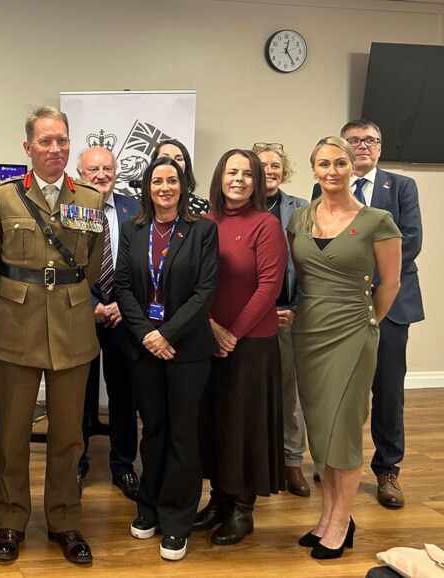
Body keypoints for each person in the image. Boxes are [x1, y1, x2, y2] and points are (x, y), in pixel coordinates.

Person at [0, 106, 105, 565]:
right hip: (16, 324)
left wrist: (70, 294)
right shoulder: (4, 197)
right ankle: (11, 520)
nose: (56, 148)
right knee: (13, 432)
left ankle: (64, 520)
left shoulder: (89, 199)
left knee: (69, 434)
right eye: (46, 141)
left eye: (62, 140)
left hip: (71, 325)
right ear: (28, 147)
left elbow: (92, 263)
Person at [290, 136, 401, 559]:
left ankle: (341, 521)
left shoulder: (377, 220)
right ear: (313, 170)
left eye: (340, 163)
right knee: (320, 429)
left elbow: (390, 283)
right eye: (324, 164)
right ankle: (328, 515)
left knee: (344, 429)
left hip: (353, 332)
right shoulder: (300, 218)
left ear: (353, 166)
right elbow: (300, 275)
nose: (332, 171)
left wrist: (367, 321)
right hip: (308, 332)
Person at [311, 120, 422, 509]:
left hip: (388, 306)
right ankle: (333, 460)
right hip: (338, 309)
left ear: (380, 147)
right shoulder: (323, 187)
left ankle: (387, 470)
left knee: (387, 391)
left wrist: (367, 283)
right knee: (337, 388)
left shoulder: (401, 187)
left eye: (370, 140)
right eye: (354, 141)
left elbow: (410, 241)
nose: (363, 146)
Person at [113, 157, 218, 562]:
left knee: (182, 435)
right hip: (145, 349)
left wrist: (166, 334)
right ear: (147, 187)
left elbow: (205, 291)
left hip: (187, 350)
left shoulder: (202, 229)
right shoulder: (133, 229)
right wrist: (147, 335)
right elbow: (123, 286)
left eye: (172, 180)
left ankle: (176, 520)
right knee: (154, 430)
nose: (165, 188)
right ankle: (150, 507)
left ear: (183, 186)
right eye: (157, 181)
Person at [194, 149, 287, 546]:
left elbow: (269, 287)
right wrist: (212, 327)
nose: (239, 179)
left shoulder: (266, 224)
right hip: (208, 339)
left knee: (244, 426)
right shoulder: (204, 223)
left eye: (247, 174)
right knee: (214, 422)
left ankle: (242, 509)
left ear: (257, 182)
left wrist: (231, 334)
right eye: (232, 172)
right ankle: (218, 499)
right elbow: (194, 282)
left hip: (251, 345)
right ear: (220, 177)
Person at [75, 146, 141, 499]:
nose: (101, 175)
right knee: (79, 396)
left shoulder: (135, 208)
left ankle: (123, 465)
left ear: (116, 172)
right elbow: (65, 263)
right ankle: (76, 464)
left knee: (124, 393)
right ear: (80, 174)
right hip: (81, 315)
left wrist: (122, 305)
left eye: (107, 168)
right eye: (93, 169)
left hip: (122, 315)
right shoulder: (71, 208)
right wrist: (92, 306)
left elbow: (144, 263)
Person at [253, 142, 311, 498]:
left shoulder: (301, 210)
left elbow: (312, 264)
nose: (270, 171)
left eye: (276, 165)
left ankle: (291, 461)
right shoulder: (239, 207)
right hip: (249, 318)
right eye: (262, 165)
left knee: (291, 394)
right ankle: (258, 460)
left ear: (283, 170)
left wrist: (297, 306)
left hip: (290, 314)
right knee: (252, 392)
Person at [134, 139, 209, 216]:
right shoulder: (133, 203)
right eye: (164, 158)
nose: (171, 162)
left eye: (179, 159)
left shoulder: (201, 206)